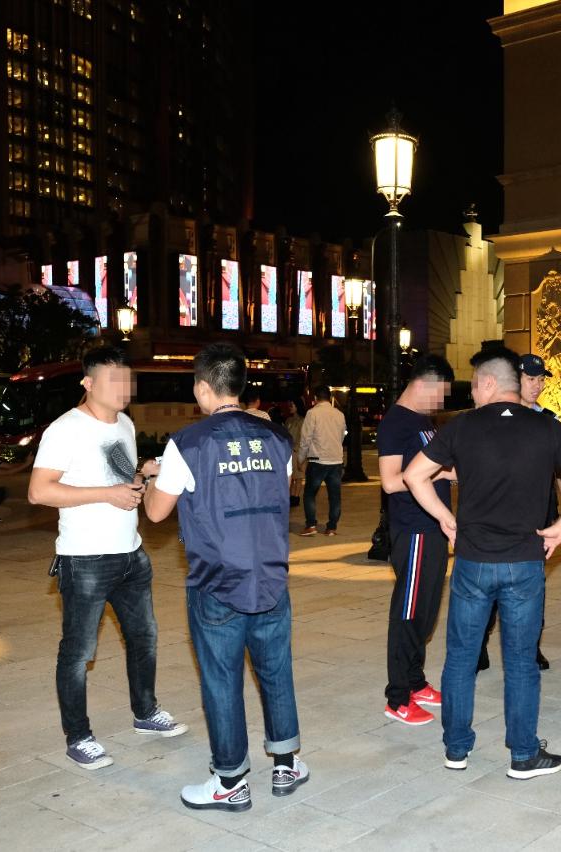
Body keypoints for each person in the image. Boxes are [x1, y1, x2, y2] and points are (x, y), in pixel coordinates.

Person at [403, 347, 561, 780]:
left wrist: (445, 518)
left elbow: (413, 475)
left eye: (475, 386)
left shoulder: (462, 427)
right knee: (521, 662)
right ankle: (524, 755)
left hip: (473, 562)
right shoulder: (548, 428)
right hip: (525, 564)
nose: (473, 394)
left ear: (490, 383)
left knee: (460, 658)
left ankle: (456, 749)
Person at [142, 343, 308, 812]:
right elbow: (278, 493)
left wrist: (153, 477)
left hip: (217, 583)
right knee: (276, 672)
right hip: (270, 578)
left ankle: (231, 780)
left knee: (221, 680)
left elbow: (156, 513)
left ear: (202, 388)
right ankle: (286, 764)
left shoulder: (188, 443)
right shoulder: (277, 439)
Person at [27, 345, 188, 771]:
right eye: (113, 380)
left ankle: (145, 712)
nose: (123, 388)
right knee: (78, 652)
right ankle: (78, 736)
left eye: (126, 380)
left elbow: (120, 478)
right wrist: (108, 494)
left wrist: (142, 473)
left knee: (144, 638)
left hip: (131, 553)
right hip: (85, 559)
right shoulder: (65, 429)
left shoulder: (125, 424)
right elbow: (39, 491)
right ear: (88, 382)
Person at [378, 355, 457, 727]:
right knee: (408, 613)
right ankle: (398, 697)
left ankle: (415, 680)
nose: (441, 403)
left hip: (434, 528)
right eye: (439, 394)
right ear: (423, 384)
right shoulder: (396, 422)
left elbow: (435, 467)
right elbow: (391, 481)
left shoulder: (424, 422)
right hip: (413, 530)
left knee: (425, 610)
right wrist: (434, 474)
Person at [477, 352, 561, 672]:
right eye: (530, 378)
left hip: (537, 516)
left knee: (532, 584)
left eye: (541, 380)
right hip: (497, 513)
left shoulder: (549, 420)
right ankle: (480, 643)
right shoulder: (492, 417)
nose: (537, 385)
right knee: (489, 581)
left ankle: (530, 647)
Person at [298, 385, 346, 536]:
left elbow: (306, 439)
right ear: (330, 398)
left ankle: (311, 525)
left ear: (315, 398)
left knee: (310, 494)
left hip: (317, 460)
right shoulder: (339, 414)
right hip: (335, 460)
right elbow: (342, 436)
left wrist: (301, 458)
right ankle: (331, 527)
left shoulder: (312, 413)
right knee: (335, 496)